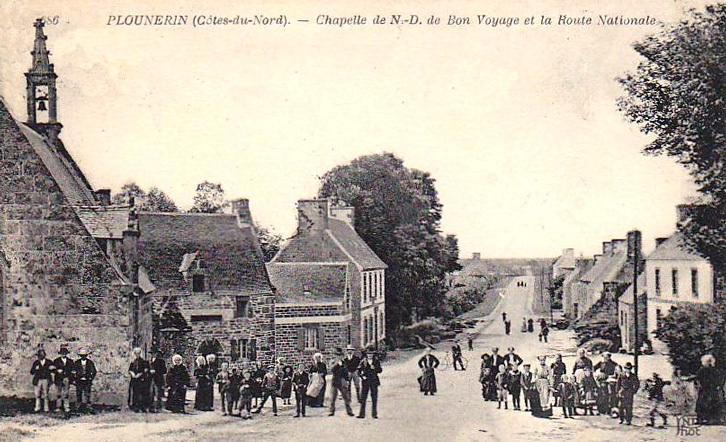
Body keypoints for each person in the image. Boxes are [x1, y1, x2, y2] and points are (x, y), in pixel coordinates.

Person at [694, 354, 723, 425]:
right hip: (711, 389)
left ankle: (704, 419)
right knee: (711, 403)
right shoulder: (715, 370)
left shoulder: (703, 370)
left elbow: (697, 379)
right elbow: (719, 379)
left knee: (704, 403)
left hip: (707, 389)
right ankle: (712, 419)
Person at [328, 348, 355, 417]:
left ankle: (349, 411)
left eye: (340, 355)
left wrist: (347, 380)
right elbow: (331, 369)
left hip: (342, 381)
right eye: (337, 355)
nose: (338, 356)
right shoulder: (332, 361)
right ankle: (331, 411)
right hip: (335, 380)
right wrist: (337, 364)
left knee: (346, 397)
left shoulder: (343, 362)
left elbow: (346, 372)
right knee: (333, 397)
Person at [357, 351, 382, 419]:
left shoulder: (376, 361)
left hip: (374, 381)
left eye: (371, 354)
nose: (370, 355)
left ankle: (374, 414)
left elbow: (380, 370)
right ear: (366, 354)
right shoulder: (363, 361)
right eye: (368, 354)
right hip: (365, 381)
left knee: (374, 398)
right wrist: (362, 376)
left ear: (373, 354)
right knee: (363, 398)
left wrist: (375, 368)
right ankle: (362, 414)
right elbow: (358, 371)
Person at [53, 344, 74, 414]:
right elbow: (52, 369)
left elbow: (72, 370)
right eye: (62, 353)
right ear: (60, 354)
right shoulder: (56, 361)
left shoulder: (70, 361)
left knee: (66, 393)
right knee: (58, 393)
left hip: (66, 379)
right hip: (58, 379)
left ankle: (66, 407)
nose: (63, 354)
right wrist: (57, 371)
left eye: (64, 353)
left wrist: (69, 376)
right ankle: (58, 407)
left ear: (66, 354)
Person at [30, 348, 53, 413]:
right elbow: (31, 372)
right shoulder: (36, 362)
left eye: (42, 355)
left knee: (46, 394)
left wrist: (51, 368)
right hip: (38, 380)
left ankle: (46, 408)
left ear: (44, 355)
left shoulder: (49, 362)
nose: (40, 357)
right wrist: (35, 369)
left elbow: (53, 369)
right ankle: (37, 407)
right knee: (37, 394)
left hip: (46, 379)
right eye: (39, 356)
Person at [74, 348, 97, 413]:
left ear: (86, 355)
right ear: (80, 356)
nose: (83, 356)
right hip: (79, 381)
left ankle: (88, 406)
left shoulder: (90, 362)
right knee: (79, 393)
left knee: (87, 393)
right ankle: (78, 407)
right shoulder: (77, 362)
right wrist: (76, 378)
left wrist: (90, 378)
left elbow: (94, 371)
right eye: (82, 355)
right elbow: (73, 371)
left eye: (84, 355)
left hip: (87, 381)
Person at [128, 347, 150, 412]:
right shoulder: (133, 362)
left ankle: (142, 407)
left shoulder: (143, 361)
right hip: (134, 379)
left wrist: (140, 374)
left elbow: (145, 370)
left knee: (142, 393)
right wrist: (132, 373)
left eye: (138, 353)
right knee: (134, 393)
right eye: (136, 353)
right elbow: (130, 369)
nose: (137, 355)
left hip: (141, 380)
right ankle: (135, 407)